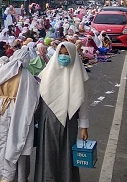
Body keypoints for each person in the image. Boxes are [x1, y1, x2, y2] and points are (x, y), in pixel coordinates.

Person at [34, 42, 89, 182]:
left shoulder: (79, 75)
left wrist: (84, 126)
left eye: (67, 54)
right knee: (48, 153)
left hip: (69, 120)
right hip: (48, 120)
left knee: (67, 154)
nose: (63, 57)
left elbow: (82, 101)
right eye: (61, 54)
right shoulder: (47, 73)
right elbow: (37, 98)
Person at [0, 48, 39, 182]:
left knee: (1, 144)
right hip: (21, 114)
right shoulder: (29, 78)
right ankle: (17, 177)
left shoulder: (2, 73)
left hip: (1, 112)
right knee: (18, 144)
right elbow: (34, 102)